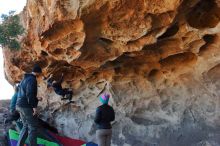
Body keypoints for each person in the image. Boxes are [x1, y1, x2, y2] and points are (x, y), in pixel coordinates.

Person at [16, 64, 42, 146]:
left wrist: (36, 98)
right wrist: (34, 107)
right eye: (40, 73)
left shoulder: (24, 79)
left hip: (19, 105)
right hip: (26, 107)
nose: (40, 75)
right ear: (38, 73)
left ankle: (19, 144)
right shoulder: (32, 79)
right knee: (33, 127)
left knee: (26, 126)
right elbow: (30, 94)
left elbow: (25, 94)